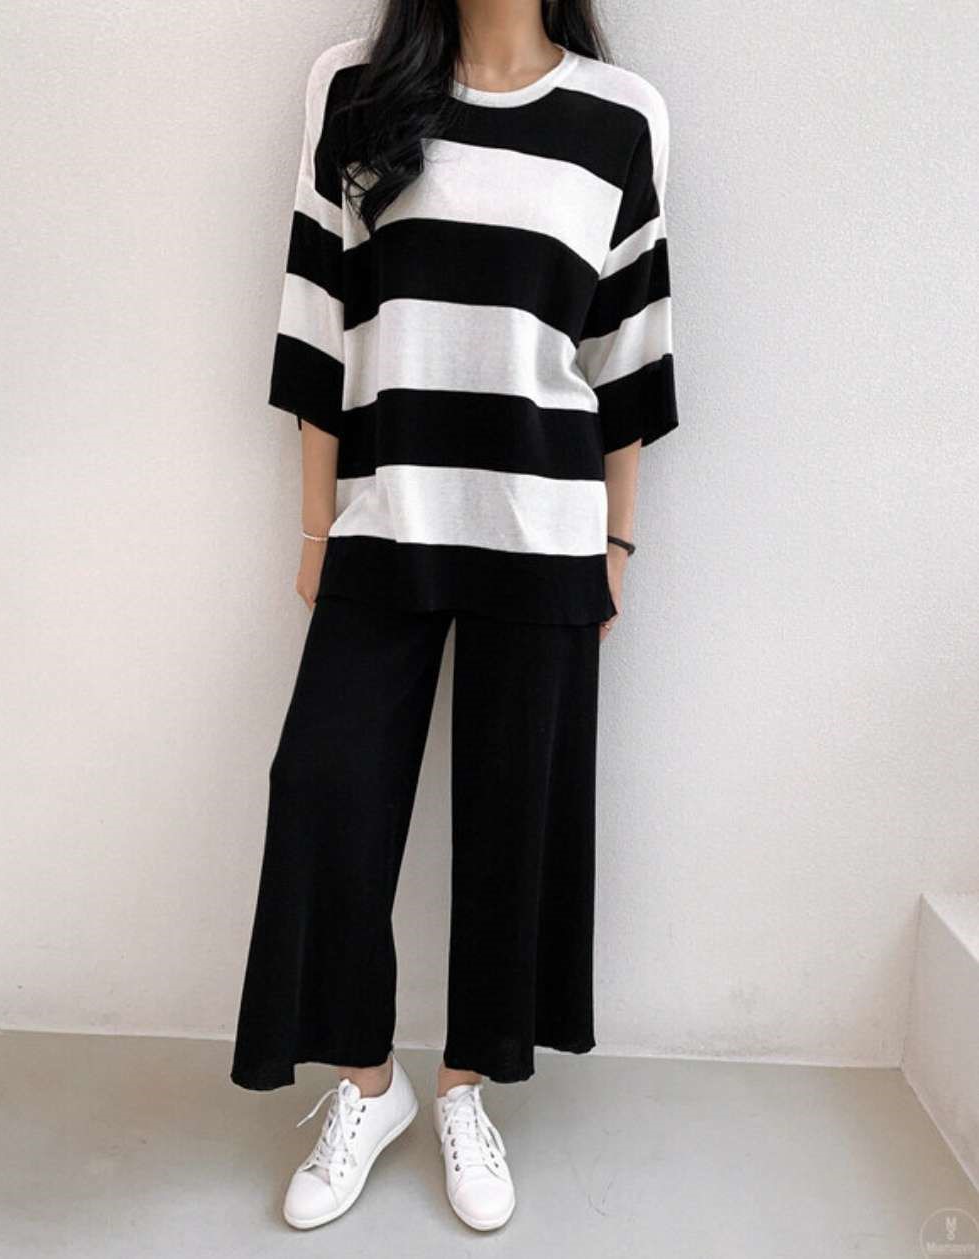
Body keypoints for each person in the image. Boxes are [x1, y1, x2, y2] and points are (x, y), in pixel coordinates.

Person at [230, 0, 679, 1233]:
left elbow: (630, 346)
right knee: (323, 789)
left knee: (513, 819)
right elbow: (316, 315)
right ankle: (368, 1085)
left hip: (546, 527)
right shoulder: (354, 89)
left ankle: (466, 1088)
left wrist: (618, 541)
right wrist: (316, 529)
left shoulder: (621, 116)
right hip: (386, 514)